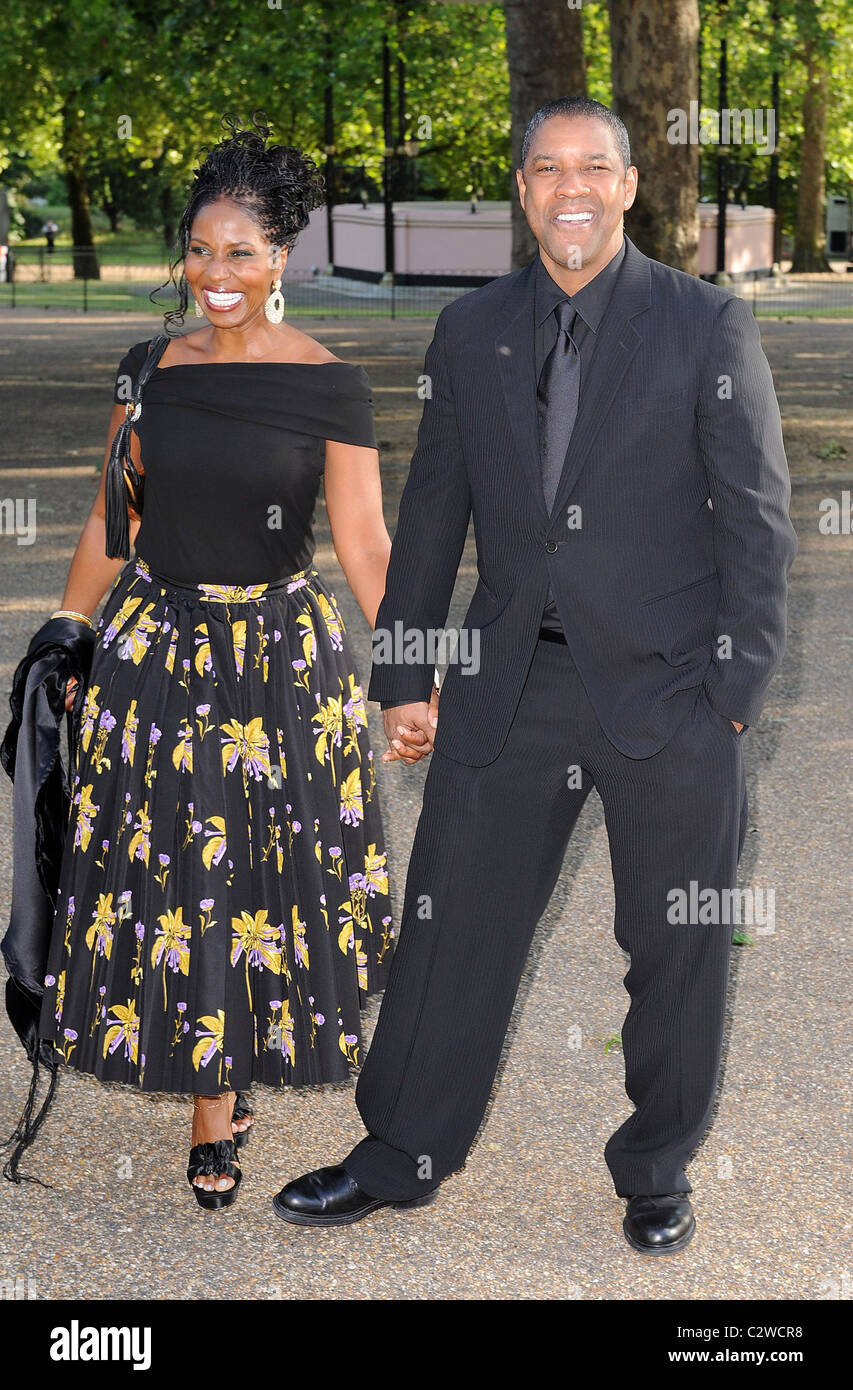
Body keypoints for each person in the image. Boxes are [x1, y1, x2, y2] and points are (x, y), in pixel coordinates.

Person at [273, 96, 798, 1252]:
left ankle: (654, 1166)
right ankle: (398, 1152)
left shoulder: (703, 324)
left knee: (673, 940)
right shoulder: (469, 332)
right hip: (508, 684)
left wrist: (731, 702)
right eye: (546, 167)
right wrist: (405, 669)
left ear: (625, 187)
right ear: (522, 190)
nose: (570, 185)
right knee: (449, 922)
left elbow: (758, 526)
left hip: (668, 692)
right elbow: (429, 517)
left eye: (593, 167)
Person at [27, 113, 413, 1209]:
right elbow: (113, 522)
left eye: (240, 251)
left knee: (256, 881)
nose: (216, 273)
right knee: (181, 880)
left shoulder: (330, 384)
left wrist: (412, 673)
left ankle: (231, 1075)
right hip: (154, 658)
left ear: (282, 255)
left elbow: (364, 544)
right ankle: (213, 1104)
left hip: (281, 664)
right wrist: (66, 636)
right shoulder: (148, 368)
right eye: (200, 250)